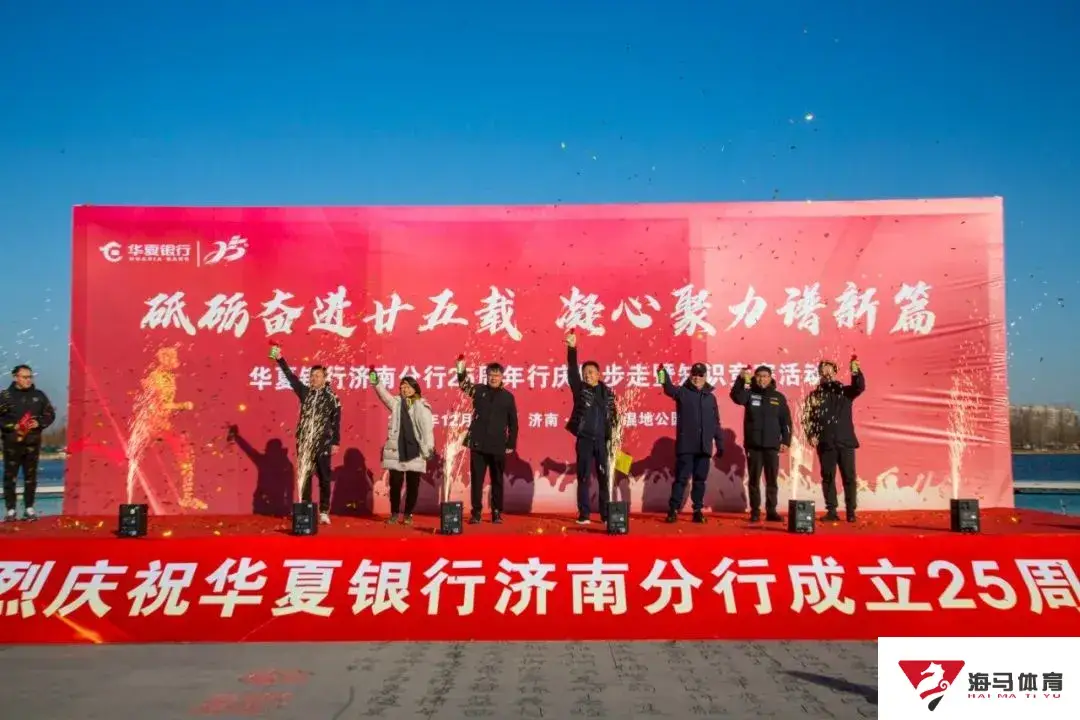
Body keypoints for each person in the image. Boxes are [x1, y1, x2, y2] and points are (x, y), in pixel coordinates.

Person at [270, 345, 341, 525]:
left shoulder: (332, 398)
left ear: (325, 378)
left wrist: (335, 442)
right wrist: (280, 359)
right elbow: (291, 377)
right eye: (312, 375)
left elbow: (336, 421)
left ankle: (324, 511)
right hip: (305, 444)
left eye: (318, 375)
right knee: (305, 478)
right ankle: (307, 510)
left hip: (323, 444)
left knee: (324, 478)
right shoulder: (305, 392)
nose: (314, 378)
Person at [657, 362, 724, 523]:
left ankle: (697, 510)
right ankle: (673, 509)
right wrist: (662, 374)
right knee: (681, 479)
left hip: (704, 446)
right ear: (690, 375)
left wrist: (719, 443)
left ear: (705, 376)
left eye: (700, 375)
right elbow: (668, 388)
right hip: (686, 446)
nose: (697, 378)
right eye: (694, 374)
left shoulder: (711, 398)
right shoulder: (682, 392)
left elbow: (715, 422)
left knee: (700, 480)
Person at [455, 357, 518, 524]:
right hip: (478, 444)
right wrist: (460, 370)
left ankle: (496, 512)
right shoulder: (479, 390)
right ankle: (476, 512)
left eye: (497, 375)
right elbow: (464, 385)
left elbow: (513, 423)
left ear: (502, 377)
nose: (493, 378)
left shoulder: (508, 397)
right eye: (491, 374)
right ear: (486, 375)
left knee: (497, 480)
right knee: (477, 480)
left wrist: (511, 443)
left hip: (498, 445)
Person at [564, 333, 618, 525]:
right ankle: (584, 514)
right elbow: (572, 371)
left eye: (591, 372)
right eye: (585, 372)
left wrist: (614, 438)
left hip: (602, 442)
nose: (587, 375)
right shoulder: (580, 389)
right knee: (584, 477)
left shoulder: (608, 393)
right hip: (585, 441)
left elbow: (614, 417)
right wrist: (572, 348)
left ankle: (605, 515)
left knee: (604, 478)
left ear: (598, 374)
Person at [804, 357, 865, 522]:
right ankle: (831, 511)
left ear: (835, 371)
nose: (825, 371)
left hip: (845, 442)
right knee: (828, 477)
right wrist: (811, 434)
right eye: (822, 369)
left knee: (849, 477)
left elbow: (859, 387)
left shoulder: (845, 392)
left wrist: (855, 371)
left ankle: (851, 511)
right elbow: (807, 418)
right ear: (819, 373)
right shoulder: (815, 395)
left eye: (829, 368)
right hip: (825, 443)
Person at [370, 372, 435, 525]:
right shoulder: (396, 403)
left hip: (415, 451)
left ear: (415, 388)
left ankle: (408, 514)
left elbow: (427, 430)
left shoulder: (422, 406)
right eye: (402, 387)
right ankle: (394, 513)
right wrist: (376, 381)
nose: (404, 389)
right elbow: (384, 395)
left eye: (408, 386)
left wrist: (429, 448)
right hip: (397, 450)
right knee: (395, 484)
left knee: (413, 485)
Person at [730, 365, 792, 522]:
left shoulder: (778, 397)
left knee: (772, 480)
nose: (762, 379)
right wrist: (740, 379)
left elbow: (786, 421)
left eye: (765, 376)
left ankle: (771, 511)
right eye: (759, 376)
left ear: (770, 378)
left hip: (772, 445)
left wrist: (786, 440)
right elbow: (736, 397)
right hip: (754, 445)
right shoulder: (749, 394)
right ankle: (755, 511)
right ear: (754, 378)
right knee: (754, 480)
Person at [1, 365, 57, 522]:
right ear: (15, 377)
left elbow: (50, 414)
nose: (28, 380)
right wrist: (12, 426)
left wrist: (39, 423)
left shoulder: (39, 396)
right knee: (10, 476)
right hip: (12, 443)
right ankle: (11, 510)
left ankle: (29, 508)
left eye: (30, 377)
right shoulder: (5, 396)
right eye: (24, 377)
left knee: (31, 476)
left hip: (32, 443)